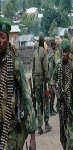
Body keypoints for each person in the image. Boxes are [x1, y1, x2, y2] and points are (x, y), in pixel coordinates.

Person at [0, 17, 36, 150]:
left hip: (10, 131)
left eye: (2, 37)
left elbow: (27, 97)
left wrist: (32, 136)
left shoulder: (14, 63)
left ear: (7, 39)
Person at [51, 39, 73, 150]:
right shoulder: (58, 66)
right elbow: (52, 81)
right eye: (63, 51)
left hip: (69, 105)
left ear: (69, 52)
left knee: (70, 140)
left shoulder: (72, 67)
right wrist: (57, 93)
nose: (64, 54)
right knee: (63, 138)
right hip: (61, 106)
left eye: (66, 52)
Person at [32, 32, 52, 135]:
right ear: (43, 41)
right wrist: (48, 83)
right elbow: (46, 69)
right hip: (43, 82)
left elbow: (32, 69)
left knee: (39, 104)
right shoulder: (44, 53)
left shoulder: (35, 52)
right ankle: (47, 124)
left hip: (36, 82)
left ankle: (39, 128)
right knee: (46, 102)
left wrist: (34, 85)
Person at [48, 39, 57, 116]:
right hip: (51, 77)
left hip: (51, 77)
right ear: (52, 45)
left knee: (52, 93)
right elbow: (52, 67)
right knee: (52, 93)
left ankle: (51, 108)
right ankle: (50, 109)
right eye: (55, 45)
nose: (55, 46)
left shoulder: (50, 53)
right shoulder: (52, 54)